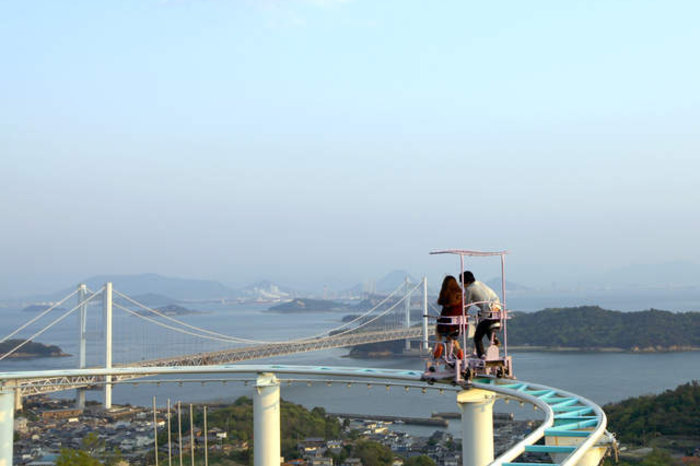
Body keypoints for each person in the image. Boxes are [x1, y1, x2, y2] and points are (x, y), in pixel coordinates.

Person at [460, 270, 501, 358]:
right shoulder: (479, 283)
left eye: (462, 283)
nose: (462, 286)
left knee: (477, 337)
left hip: (488, 311)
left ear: (465, 282)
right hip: (498, 310)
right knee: (487, 328)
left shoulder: (469, 289)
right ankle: (494, 339)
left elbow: (465, 305)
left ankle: (481, 355)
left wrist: (463, 314)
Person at [433, 275, 464, 360]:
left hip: (448, 326)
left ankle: (438, 345)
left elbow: (444, 312)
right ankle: (459, 350)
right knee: (451, 335)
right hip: (461, 326)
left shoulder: (447, 296)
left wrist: (439, 319)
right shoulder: (462, 295)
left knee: (439, 326)